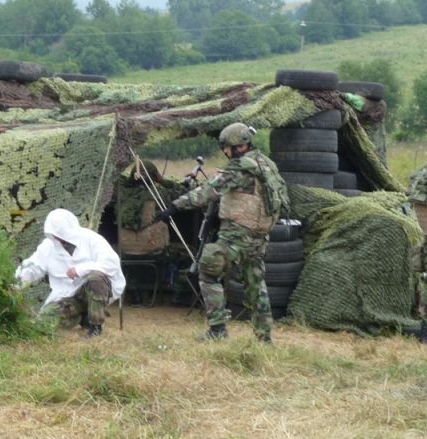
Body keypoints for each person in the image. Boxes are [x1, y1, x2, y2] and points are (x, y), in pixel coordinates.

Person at [155, 123, 289, 343]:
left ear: (238, 146)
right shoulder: (265, 163)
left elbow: (207, 191)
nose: (225, 152)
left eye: (226, 147)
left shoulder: (238, 169)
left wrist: (174, 206)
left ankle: (217, 329)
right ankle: (264, 337)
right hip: (259, 237)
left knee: (208, 269)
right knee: (256, 285)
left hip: (237, 236)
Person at [15, 208, 126, 338]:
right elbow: (33, 266)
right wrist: (16, 284)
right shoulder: (48, 246)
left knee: (96, 277)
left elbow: (111, 262)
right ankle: (82, 317)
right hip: (67, 296)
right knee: (45, 320)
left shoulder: (92, 239)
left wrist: (80, 269)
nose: (58, 237)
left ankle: (95, 326)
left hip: (95, 290)